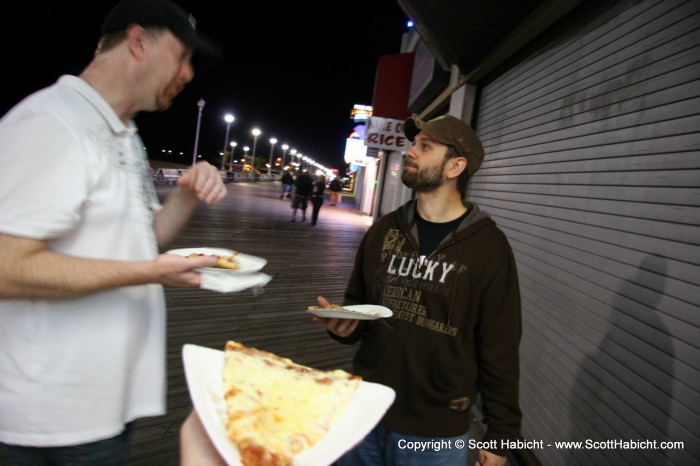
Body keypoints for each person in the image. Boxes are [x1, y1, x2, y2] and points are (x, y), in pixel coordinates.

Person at [0, 0, 226, 464]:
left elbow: (143, 242)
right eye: (182, 56)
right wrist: (148, 272)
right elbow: (6, 266)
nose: (188, 74)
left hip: (104, 406)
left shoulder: (125, 133)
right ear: (138, 41)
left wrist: (184, 195)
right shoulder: (53, 121)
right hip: (52, 418)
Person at [312, 115, 522, 466]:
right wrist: (344, 325)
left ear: (456, 166)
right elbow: (359, 303)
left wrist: (502, 434)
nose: (411, 151)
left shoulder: (488, 247)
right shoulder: (384, 229)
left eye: (425, 146)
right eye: (414, 143)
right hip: (363, 410)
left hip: (434, 434)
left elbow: (500, 345)